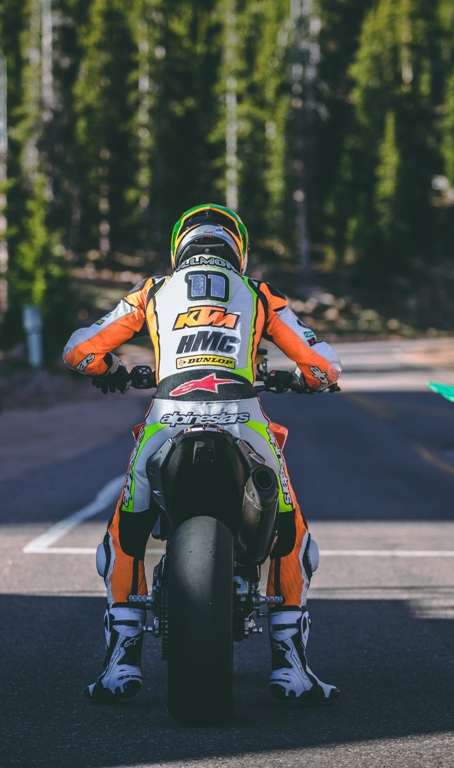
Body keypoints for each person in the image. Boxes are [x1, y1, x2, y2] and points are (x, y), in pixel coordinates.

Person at [63, 204, 341, 701]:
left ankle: (120, 662)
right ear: (239, 249)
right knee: (291, 531)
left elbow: (79, 350)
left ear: (179, 248)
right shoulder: (260, 295)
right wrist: (300, 379)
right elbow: (325, 366)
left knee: (124, 535)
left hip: (166, 419)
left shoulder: (153, 291)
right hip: (244, 419)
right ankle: (289, 665)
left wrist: (111, 372)